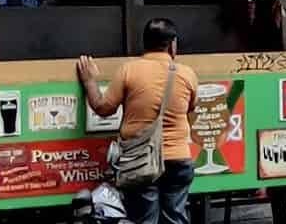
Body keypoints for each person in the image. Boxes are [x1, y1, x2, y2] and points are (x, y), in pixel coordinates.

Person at [77, 19, 199, 224]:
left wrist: (90, 81)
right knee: (176, 218)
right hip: (179, 158)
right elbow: (190, 110)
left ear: (145, 43)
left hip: (140, 161)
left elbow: (103, 108)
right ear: (172, 44)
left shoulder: (129, 71)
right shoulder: (187, 74)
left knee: (145, 219)